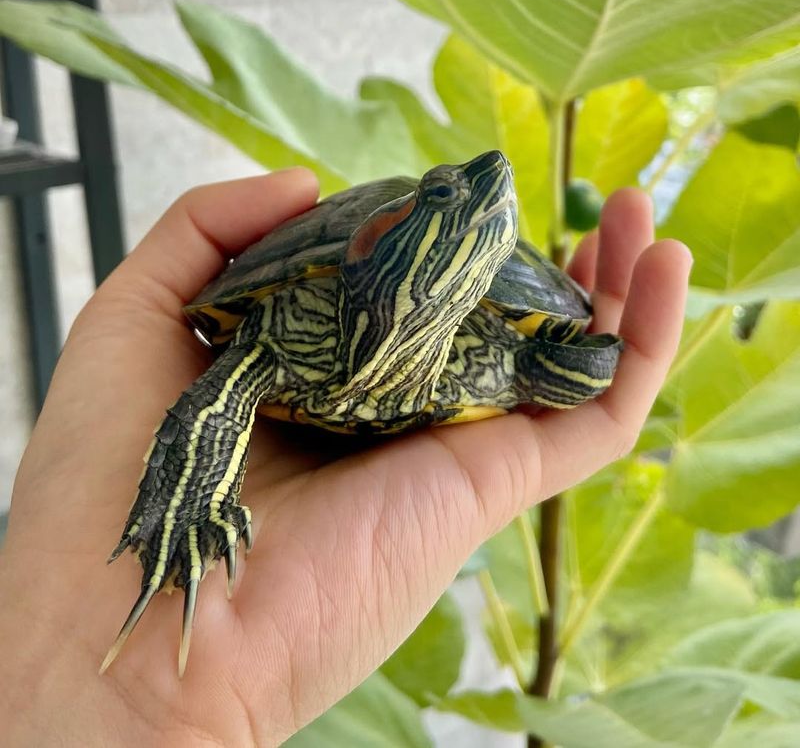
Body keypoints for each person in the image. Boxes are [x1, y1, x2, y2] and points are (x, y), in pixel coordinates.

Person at [0, 168, 690, 747]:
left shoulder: (490, 351)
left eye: (488, 208)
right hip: (310, 357)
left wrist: (577, 365)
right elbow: (224, 384)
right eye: (445, 198)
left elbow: (571, 361)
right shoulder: (299, 311)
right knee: (227, 402)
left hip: (432, 372)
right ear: (374, 245)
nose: (491, 181)